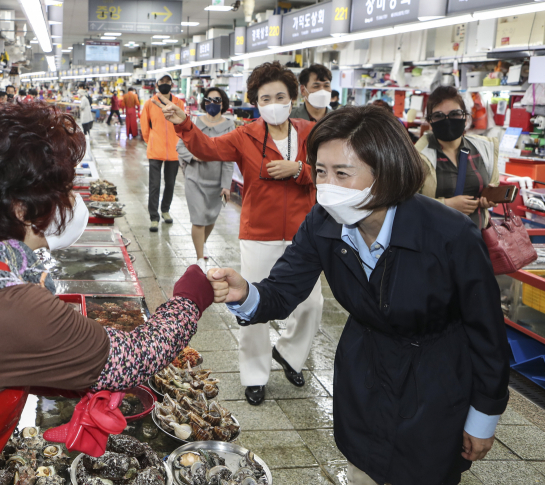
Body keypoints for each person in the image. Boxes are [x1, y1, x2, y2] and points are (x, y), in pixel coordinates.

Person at [0, 101, 214, 484]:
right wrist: (189, 299)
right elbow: (134, 358)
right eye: (61, 189)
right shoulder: (6, 304)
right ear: (21, 207)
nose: (68, 200)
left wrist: (61, 374)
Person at [208, 105, 510, 485]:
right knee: (363, 468)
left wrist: (483, 417)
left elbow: (487, 333)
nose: (326, 185)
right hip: (363, 372)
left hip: (435, 380)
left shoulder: (448, 234)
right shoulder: (322, 222)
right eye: (320, 171)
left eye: (341, 173)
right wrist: (246, 292)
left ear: (384, 172)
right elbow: (283, 289)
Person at [153, 61, 324, 406]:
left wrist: (300, 170)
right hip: (259, 233)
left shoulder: (310, 132)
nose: (273, 102)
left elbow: (328, 171)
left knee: (312, 304)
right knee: (253, 304)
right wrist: (184, 123)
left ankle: (289, 354)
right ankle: (255, 375)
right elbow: (207, 149)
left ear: (293, 97)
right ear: (255, 103)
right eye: (265, 97)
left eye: (280, 95)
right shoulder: (246, 135)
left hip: (305, 234)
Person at [415, 86, 499, 230]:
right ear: (430, 122)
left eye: (455, 114)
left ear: (465, 117)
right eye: (439, 116)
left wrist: (489, 199)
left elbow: (493, 185)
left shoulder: (485, 148)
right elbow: (405, 203)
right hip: (434, 243)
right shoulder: (416, 157)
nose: (447, 120)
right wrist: (446, 205)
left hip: (477, 242)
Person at [176, 87, 235, 272]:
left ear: (223, 103)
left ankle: (201, 244)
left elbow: (229, 158)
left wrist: (226, 185)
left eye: (217, 100)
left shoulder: (229, 126)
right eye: (209, 100)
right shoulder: (195, 122)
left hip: (216, 181)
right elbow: (180, 146)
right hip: (195, 177)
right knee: (198, 218)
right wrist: (195, 156)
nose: (212, 104)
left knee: (210, 218)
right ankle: (200, 258)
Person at [141, 72, 186, 232]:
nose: (165, 83)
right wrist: (151, 141)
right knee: (154, 185)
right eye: (162, 81)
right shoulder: (150, 103)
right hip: (155, 150)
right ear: (157, 84)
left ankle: (165, 210)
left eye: (168, 81)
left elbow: (183, 125)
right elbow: (144, 127)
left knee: (171, 184)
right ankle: (154, 217)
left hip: (174, 151)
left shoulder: (179, 103)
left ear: (172, 84)